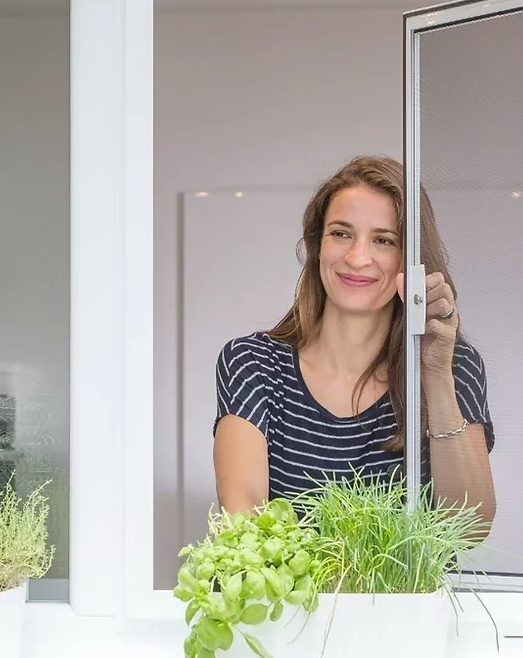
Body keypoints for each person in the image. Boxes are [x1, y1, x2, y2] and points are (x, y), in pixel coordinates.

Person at [212, 155, 496, 534]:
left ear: (411, 263)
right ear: (317, 246)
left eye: (383, 240)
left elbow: (469, 528)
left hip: (398, 598)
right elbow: (243, 519)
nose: (356, 257)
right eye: (341, 234)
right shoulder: (254, 363)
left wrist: (435, 372)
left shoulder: (453, 365)